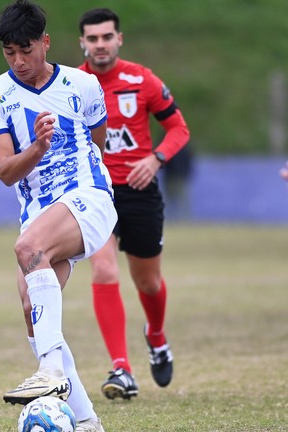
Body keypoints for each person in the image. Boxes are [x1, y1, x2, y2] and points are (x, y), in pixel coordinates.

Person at [0, 0, 117, 432]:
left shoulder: (83, 85)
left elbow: (96, 141)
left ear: (45, 43)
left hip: (89, 197)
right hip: (38, 212)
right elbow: (4, 172)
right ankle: (88, 421)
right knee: (33, 316)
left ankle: (51, 371)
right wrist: (37, 148)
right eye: (8, 52)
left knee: (26, 250)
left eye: (26, 49)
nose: (18, 61)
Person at [78, 8, 190, 400]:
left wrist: (156, 158)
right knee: (104, 270)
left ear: (118, 39)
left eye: (106, 37)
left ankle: (156, 336)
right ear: (82, 44)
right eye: (92, 39)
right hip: (95, 192)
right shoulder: (74, 84)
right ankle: (121, 369)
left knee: (148, 282)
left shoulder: (142, 79)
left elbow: (179, 127)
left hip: (139, 191)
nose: (100, 44)